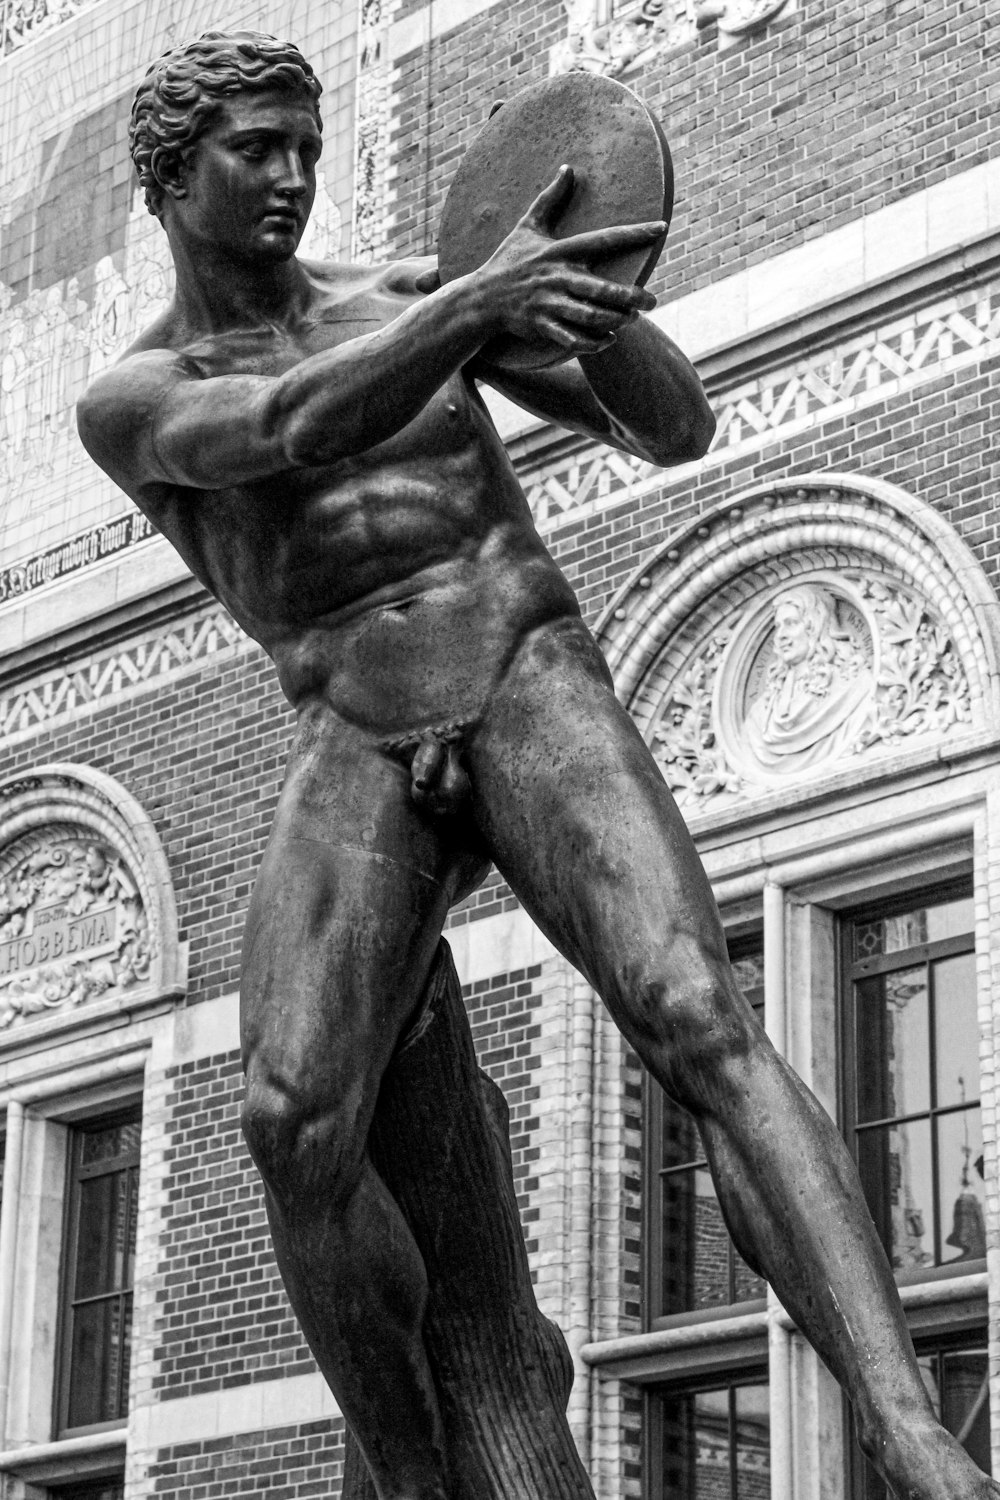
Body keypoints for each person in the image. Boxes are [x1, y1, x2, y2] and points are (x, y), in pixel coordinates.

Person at [77, 31, 996, 1500]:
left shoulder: (414, 295)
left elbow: (671, 425)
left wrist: (590, 299)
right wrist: (474, 304)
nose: (294, 178)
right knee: (288, 1115)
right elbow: (289, 424)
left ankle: (902, 1422)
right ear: (170, 176)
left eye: (309, 145)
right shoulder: (135, 396)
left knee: (694, 1008)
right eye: (257, 149)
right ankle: (412, 1476)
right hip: (352, 725)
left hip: (518, 665)